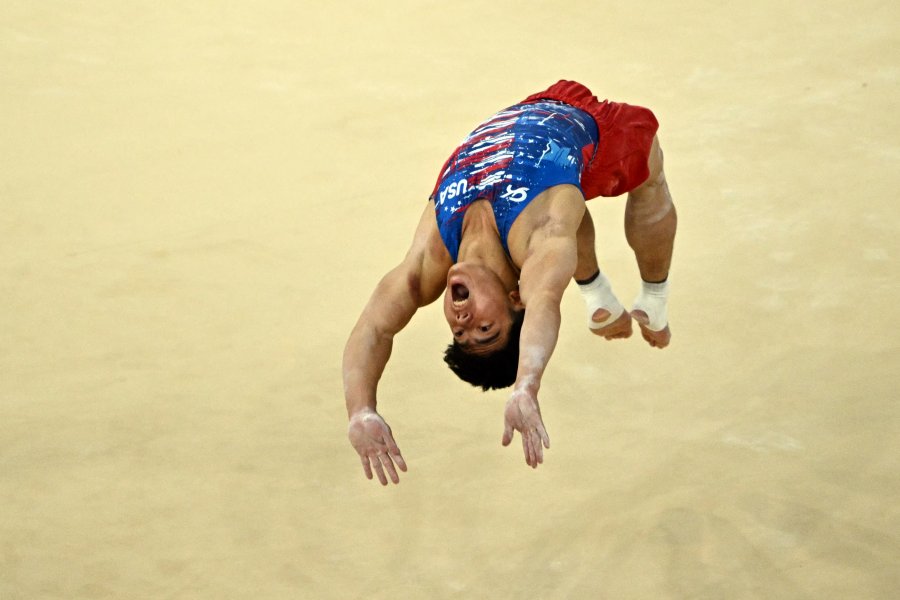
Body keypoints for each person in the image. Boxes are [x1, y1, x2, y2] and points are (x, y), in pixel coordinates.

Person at [342, 80, 677, 485]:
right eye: (484, 328)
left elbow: (374, 328)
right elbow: (545, 303)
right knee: (647, 174)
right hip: (593, 129)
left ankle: (595, 292)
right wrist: (525, 385)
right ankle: (654, 298)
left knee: (567, 215)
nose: (462, 319)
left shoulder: (429, 260)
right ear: (516, 300)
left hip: (534, 106)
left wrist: (360, 409)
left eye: (459, 331)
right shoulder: (538, 240)